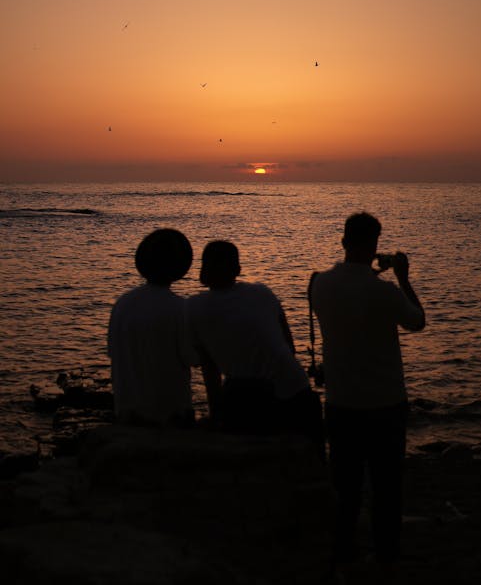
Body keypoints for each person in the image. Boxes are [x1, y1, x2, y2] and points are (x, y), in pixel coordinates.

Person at [310, 212, 425, 575]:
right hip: (385, 402)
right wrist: (403, 279)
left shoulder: (319, 285)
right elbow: (416, 321)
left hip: (342, 402)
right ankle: (386, 555)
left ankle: (345, 551)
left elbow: (350, 295)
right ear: (375, 245)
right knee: (387, 487)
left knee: (345, 486)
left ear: (344, 241)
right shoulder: (385, 291)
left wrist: (374, 275)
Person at [187, 240, 324, 453]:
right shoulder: (262, 292)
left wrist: (216, 417)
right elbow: (289, 346)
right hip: (297, 391)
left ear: (204, 269)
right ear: (238, 269)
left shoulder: (193, 307)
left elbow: (209, 368)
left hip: (251, 397)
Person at [107, 228, 195, 427]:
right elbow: (192, 358)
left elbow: (113, 351)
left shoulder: (122, 304)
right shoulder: (181, 309)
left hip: (127, 413)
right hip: (170, 414)